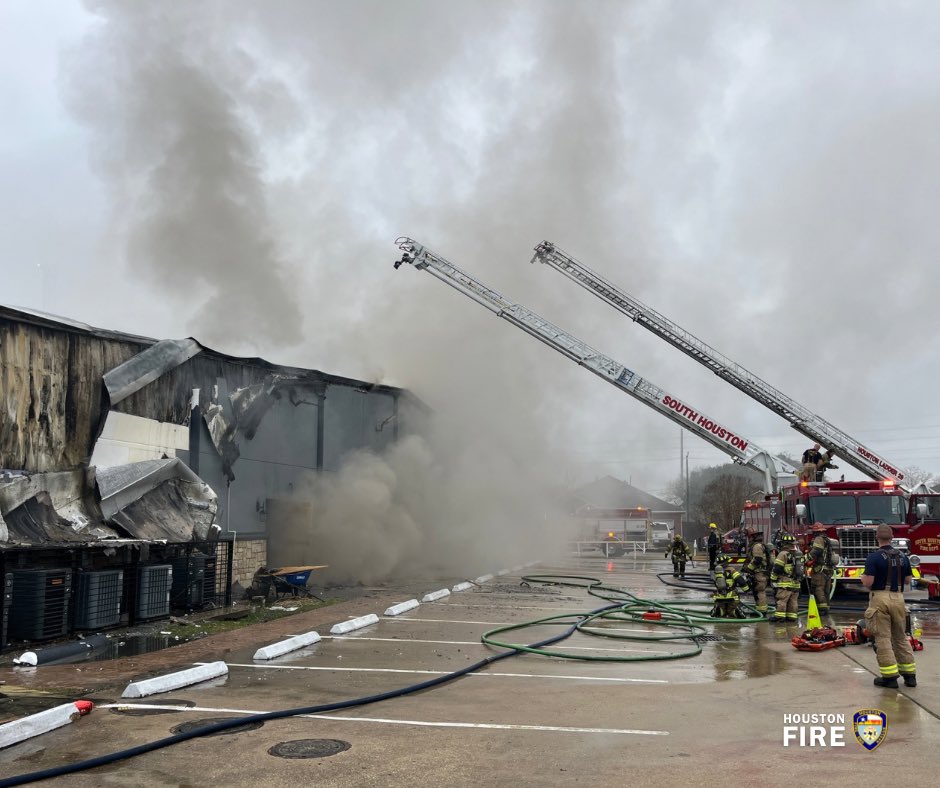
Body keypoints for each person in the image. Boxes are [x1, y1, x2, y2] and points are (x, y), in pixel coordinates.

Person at [861, 524, 916, 688]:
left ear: (877, 537)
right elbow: (907, 580)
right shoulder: (903, 556)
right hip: (899, 598)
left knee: (883, 638)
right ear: (892, 537)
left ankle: (890, 678)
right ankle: (910, 676)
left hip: (880, 599)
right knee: (901, 637)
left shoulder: (874, 557)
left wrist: (863, 578)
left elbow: (869, 582)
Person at [771, 533, 804, 623]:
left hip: (785, 582)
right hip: (796, 582)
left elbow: (777, 568)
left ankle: (779, 617)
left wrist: (773, 579)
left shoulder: (783, 554)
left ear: (784, 543)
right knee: (793, 601)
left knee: (782, 600)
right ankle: (792, 617)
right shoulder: (798, 554)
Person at [806, 523, 836, 613]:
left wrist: (805, 559)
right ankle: (826, 608)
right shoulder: (827, 539)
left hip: (820, 569)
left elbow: (816, 551)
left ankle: (821, 609)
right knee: (826, 590)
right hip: (828, 569)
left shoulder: (819, 539)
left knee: (817, 588)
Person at [744, 529, 773, 616]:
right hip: (759, 572)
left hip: (759, 573)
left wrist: (749, 568)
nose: (748, 539)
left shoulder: (756, 546)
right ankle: (759, 610)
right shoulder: (758, 545)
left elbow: (757, 559)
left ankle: (762, 612)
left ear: (753, 537)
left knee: (760, 591)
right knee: (757, 591)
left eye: (749, 537)